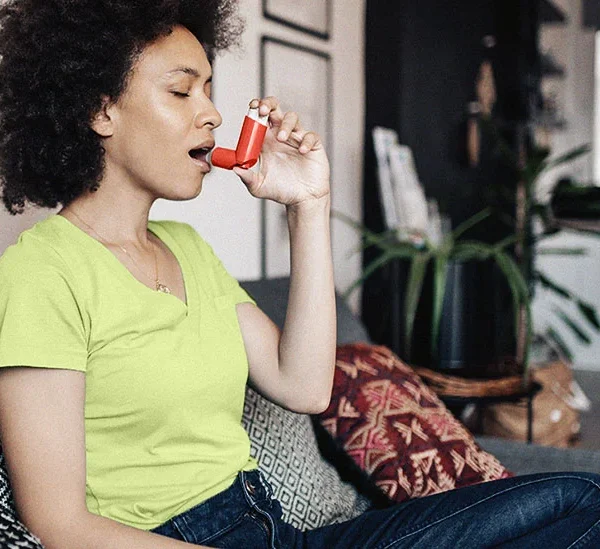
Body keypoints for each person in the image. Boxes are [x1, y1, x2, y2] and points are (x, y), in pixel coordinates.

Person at [0, 1, 599, 548]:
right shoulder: (43, 273)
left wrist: (308, 206)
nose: (212, 114)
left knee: (581, 500)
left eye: (209, 90)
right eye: (181, 92)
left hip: (270, 530)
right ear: (100, 110)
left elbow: (305, 386)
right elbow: (59, 524)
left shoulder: (188, 249)